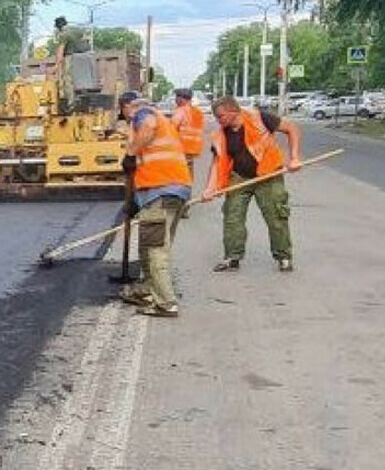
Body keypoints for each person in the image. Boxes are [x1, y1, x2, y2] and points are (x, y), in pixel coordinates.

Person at [200, 96, 302, 272]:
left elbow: (291, 129)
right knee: (232, 217)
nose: (218, 120)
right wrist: (209, 188)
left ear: (233, 111)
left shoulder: (261, 119)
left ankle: (283, 257)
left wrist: (294, 157)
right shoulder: (220, 134)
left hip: (269, 175)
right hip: (239, 177)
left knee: (276, 217)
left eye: (221, 116)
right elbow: (217, 162)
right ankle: (232, 257)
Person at [117, 92, 193, 318]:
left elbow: (147, 127)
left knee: (155, 249)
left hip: (160, 190)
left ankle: (166, 303)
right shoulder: (163, 119)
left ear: (127, 107)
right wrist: (137, 203)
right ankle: (150, 291)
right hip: (175, 190)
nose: (125, 119)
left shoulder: (143, 113)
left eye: (123, 113)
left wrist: (130, 153)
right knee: (153, 244)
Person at [170, 88, 204, 178]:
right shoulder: (197, 112)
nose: (175, 100)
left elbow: (172, 127)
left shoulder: (181, 111)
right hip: (193, 147)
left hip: (181, 147)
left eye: (176, 97)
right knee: (189, 170)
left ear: (181, 99)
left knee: (180, 172)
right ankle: (188, 189)